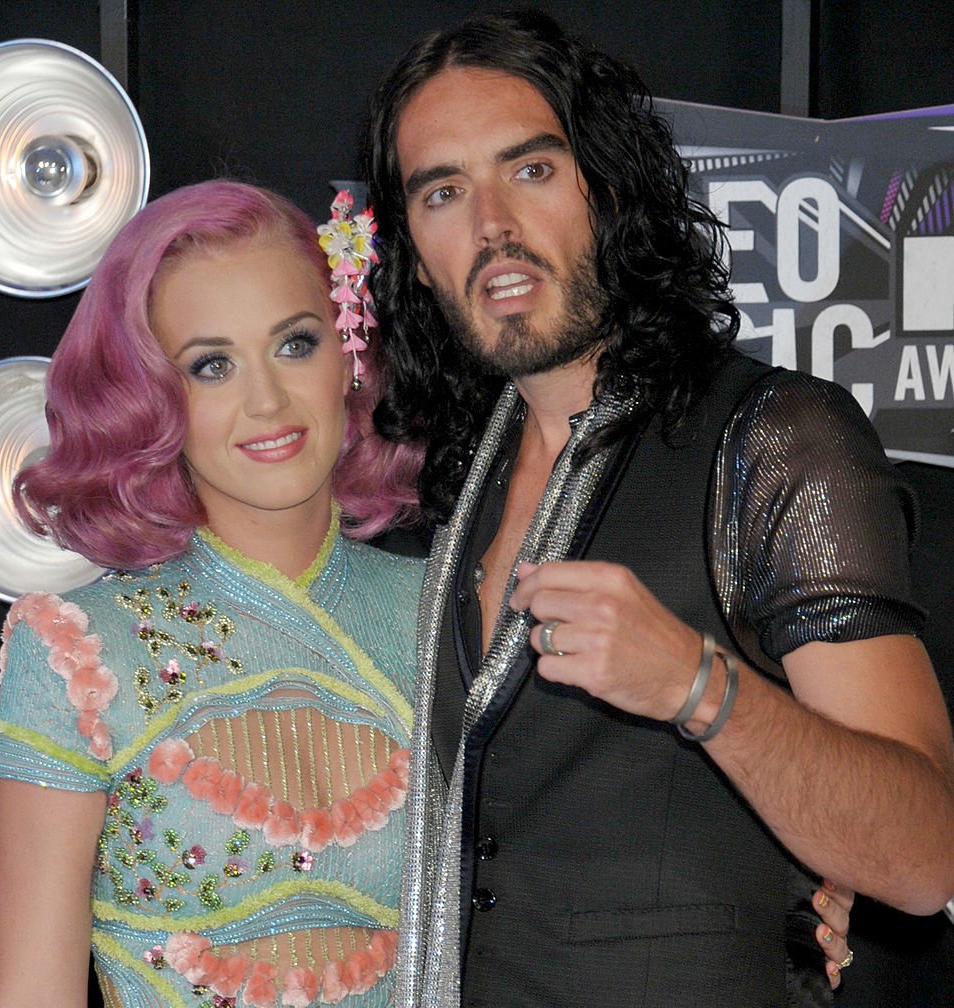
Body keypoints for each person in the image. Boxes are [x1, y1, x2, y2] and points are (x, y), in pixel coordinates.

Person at [361, 9, 954, 1008]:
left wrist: (696, 685)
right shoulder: (453, 492)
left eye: (532, 170)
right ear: (415, 252)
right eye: (444, 192)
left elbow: (925, 854)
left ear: (607, 190)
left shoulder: (774, 438)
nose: (492, 225)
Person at [0, 180, 425, 1008]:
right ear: (149, 398)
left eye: (296, 344)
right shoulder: (83, 653)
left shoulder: (446, 614)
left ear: (350, 354)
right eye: (211, 366)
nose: (267, 401)